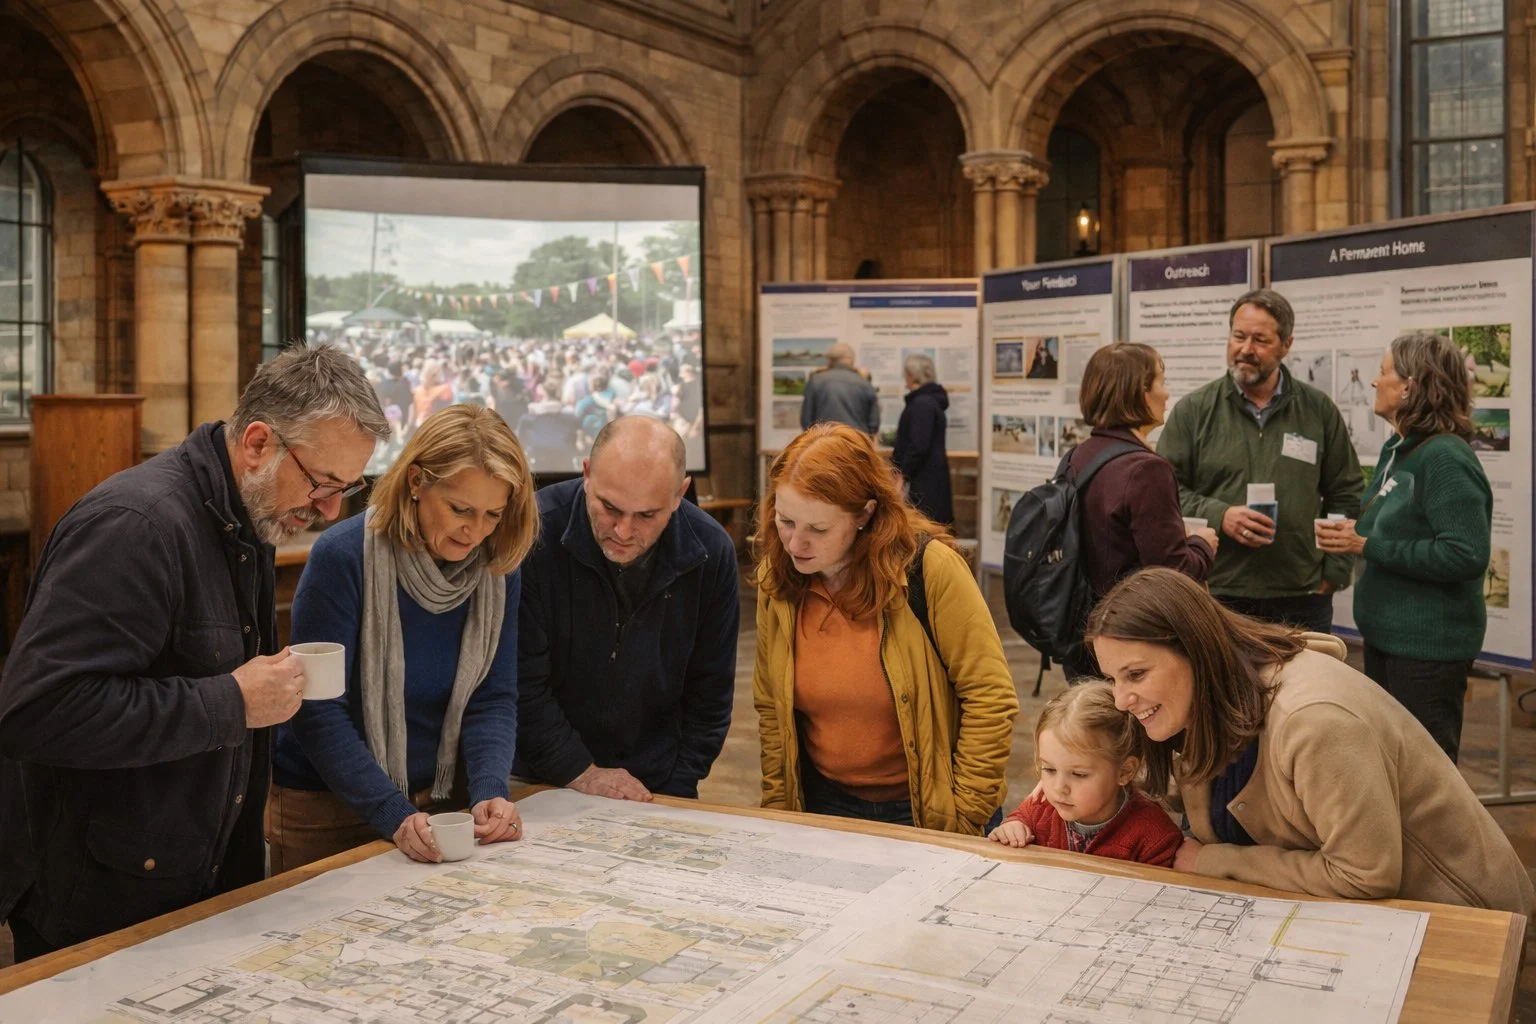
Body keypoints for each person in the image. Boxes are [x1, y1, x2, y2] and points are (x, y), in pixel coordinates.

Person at [0, 345, 387, 960]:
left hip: (193, 889)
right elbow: (39, 712)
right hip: (100, 904)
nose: (331, 511)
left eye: (348, 488)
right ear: (258, 443)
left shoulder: (248, 514)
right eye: (322, 484)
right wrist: (230, 702)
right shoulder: (136, 525)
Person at [1088, 567, 1531, 916]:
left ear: (1195, 650)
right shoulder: (1212, 696)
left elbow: (1364, 876)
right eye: (1113, 678)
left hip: (1457, 916)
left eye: (1137, 674)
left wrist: (1215, 861)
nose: (1123, 700)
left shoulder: (1316, 721)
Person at [268, 405, 539, 872]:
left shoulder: (495, 570)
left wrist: (491, 789)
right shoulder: (342, 557)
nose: (475, 531)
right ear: (416, 481)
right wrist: (392, 813)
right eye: (460, 510)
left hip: (442, 803)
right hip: (327, 808)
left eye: (493, 514)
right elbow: (317, 710)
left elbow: (492, 696)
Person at [755, 423, 1018, 833]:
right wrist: (779, 807)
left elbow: (990, 696)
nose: (795, 544)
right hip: (822, 804)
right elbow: (771, 705)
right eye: (786, 521)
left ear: (865, 513)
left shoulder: (930, 570)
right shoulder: (780, 576)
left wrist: (963, 814)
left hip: (926, 809)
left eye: (818, 529)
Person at [516, 415, 738, 800]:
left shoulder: (710, 552)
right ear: (586, 473)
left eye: (647, 515)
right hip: (539, 778)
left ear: (680, 494)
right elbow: (521, 683)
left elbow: (711, 693)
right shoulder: (533, 534)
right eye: (609, 507)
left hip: (656, 785)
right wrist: (580, 772)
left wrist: (678, 785)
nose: (622, 530)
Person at [1317, 333, 1492, 762]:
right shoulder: (1400, 449)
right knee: (1394, 767)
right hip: (1388, 641)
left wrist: (1367, 543)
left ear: (1411, 386)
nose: (1375, 382)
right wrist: (1355, 535)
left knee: (1426, 779)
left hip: (1427, 651)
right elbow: (1395, 526)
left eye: (1383, 372)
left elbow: (1465, 554)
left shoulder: (1446, 458)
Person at [1158, 288, 1363, 633]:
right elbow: (1165, 492)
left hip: (1302, 595)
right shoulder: (1194, 411)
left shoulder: (1317, 410)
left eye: (1260, 340)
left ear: (1287, 344)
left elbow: (1346, 493)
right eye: (1238, 336)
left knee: (1304, 689)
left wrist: (1334, 574)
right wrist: (1221, 516)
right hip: (1217, 591)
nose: (1246, 350)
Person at [1065, 342, 1216, 677]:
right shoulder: (1146, 470)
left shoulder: (1080, 456)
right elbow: (1174, 574)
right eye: (1160, 382)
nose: (1167, 393)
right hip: (1134, 643)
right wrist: (1203, 543)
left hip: (1085, 633)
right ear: (1139, 392)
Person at [988, 682, 1181, 867]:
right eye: (1049, 769)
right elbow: (1019, 818)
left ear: (1125, 771)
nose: (1058, 788)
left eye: (1079, 774)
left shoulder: (1154, 838)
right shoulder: (1040, 807)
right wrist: (1012, 828)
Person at [892, 354, 953, 526]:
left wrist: (902, 474)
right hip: (929, 479)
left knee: (924, 529)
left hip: (923, 484)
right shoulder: (929, 401)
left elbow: (918, 445)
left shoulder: (922, 404)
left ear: (911, 376)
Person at [800, 342, 879, 435]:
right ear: (851, 360)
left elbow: (806, 421)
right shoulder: (864, 383)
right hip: (856, 443)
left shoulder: (815, 381)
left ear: (829, 360)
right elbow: (874, 424)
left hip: (824, 443)